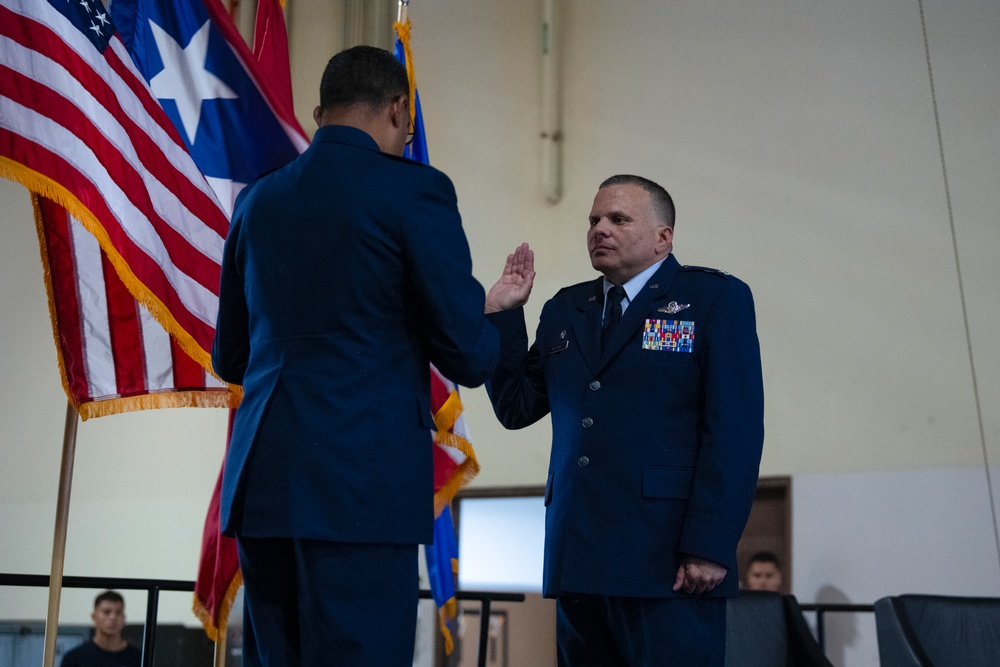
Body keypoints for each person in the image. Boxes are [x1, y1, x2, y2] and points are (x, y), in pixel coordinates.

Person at [212, 45, 500, 666]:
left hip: (264, 485)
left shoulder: (257, 201)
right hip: (359, 485)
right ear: (399, 108)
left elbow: (230, 357)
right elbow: (467, 354)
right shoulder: (415, 191)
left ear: (321, 113)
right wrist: (492, 316)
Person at [484, 174, 764, 666]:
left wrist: (710, 543)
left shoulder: (713, 300)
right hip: (580, 559)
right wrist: (503, 316)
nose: (600, 229)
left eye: (618, 219)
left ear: (664, 236)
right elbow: (515, 406)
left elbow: (735, 432)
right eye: (593, 219)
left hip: (668, 561)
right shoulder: (566, 308)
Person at [61, 590, 140, 667]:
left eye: (118, 612)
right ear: (94, 617)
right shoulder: (74, 659)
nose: (113, 617)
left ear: (124, 618)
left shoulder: (139, 658)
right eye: (106, 612)